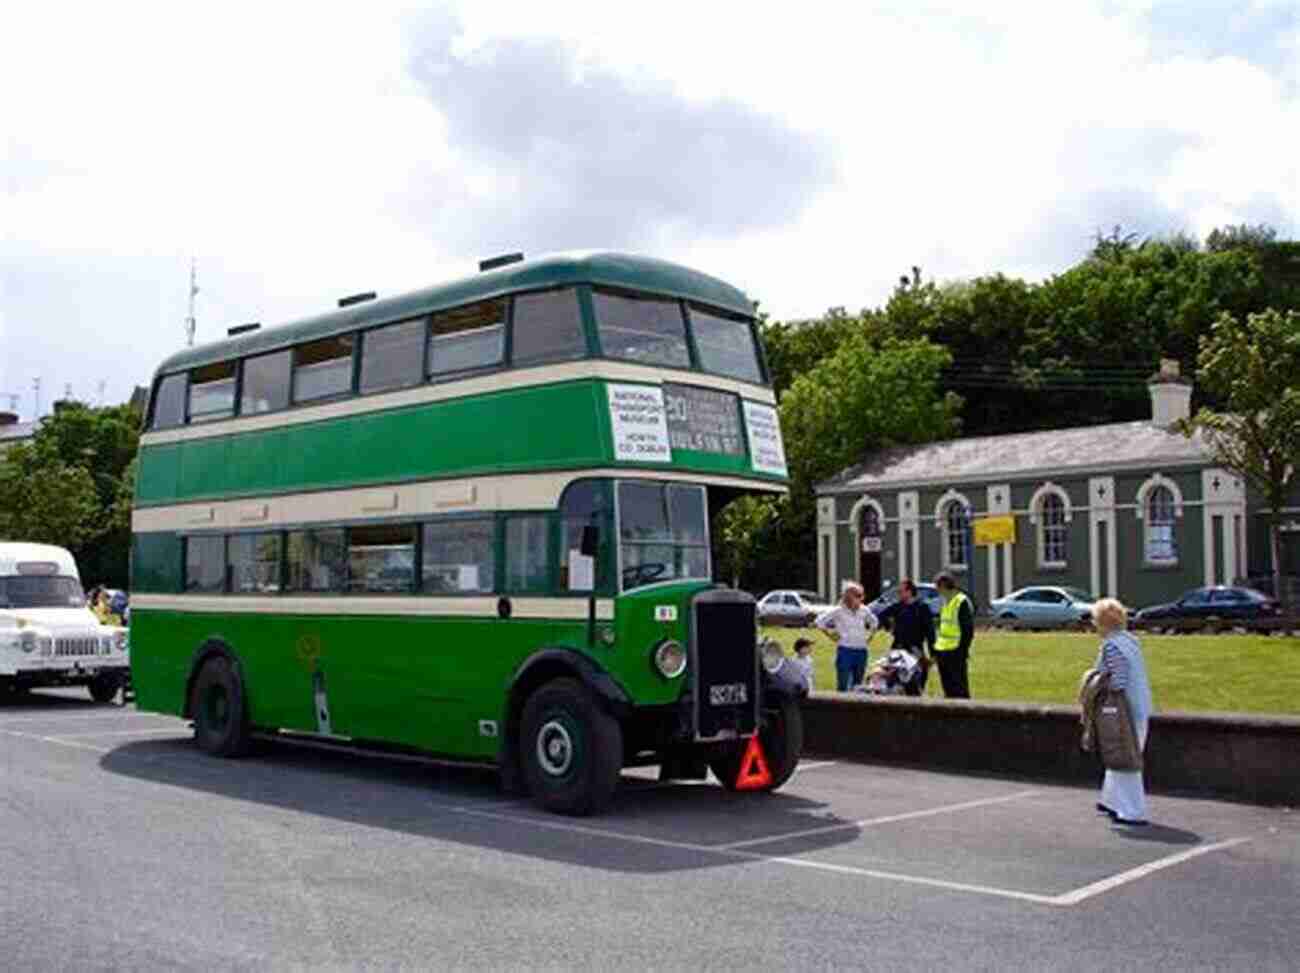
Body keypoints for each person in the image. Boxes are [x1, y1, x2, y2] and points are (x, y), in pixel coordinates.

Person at [1091, 597, 1153, 826]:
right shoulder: (1130, 641)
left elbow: (1118, 680)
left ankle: (1131, 810)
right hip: (1139, 707)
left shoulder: (1111, 646)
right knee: (1119, 753)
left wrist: (1097, 687)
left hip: (1124, 711)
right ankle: (1110, 800)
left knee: (1125, 758)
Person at [815, 581, 878, 692]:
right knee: (843, 684)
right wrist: (830, 635)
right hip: (845, 650)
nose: (861, 598)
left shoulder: (864, 610)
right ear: (848, 597)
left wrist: (870, 636)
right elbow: (819, 622)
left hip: (861, 651)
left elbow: (874, 622)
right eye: (858, 596)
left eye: (861, 596)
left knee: (858, 685)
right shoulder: (838, 611)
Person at [874, 578, 935, 691]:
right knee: (893, 679)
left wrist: (933, 654)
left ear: (909, 591)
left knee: (917, 679)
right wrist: (888, 627)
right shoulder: (897, 606)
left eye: (900, 591)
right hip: (898, 647)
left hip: (915, 648)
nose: (898, 594)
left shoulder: (922, 608)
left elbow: (930, 632)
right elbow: (880, 617)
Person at [932, 572, 974, 698]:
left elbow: (967, 630)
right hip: (943, 650)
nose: (937, 590)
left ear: (944, 586)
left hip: (956, 651)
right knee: (948, 688)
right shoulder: (945, 603)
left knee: (959, 688)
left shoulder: (960, 602)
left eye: (938, 587)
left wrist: (962, 650)